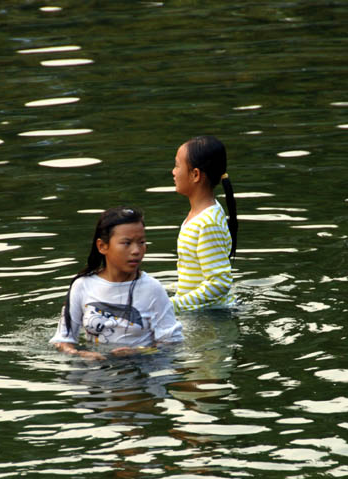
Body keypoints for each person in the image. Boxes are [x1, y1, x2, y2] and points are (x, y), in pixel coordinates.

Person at [51, 206, 182, 359]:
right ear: (102, 246)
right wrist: (80, 354)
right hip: (96, 373)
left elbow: (172, 343)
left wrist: (138, 352)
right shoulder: (82, 285)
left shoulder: (153, 289)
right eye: (127, 243)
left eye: (141, 242)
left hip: (142, 371)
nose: (136, 250)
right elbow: (62, 340)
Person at [170, 135, 239, 312]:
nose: (173, 172)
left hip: (211, 320)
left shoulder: (207, 224)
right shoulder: (205, 213)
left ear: (195, 175)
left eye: (177, 165)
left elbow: (219, 283)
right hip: (199, 312)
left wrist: (172, 305)